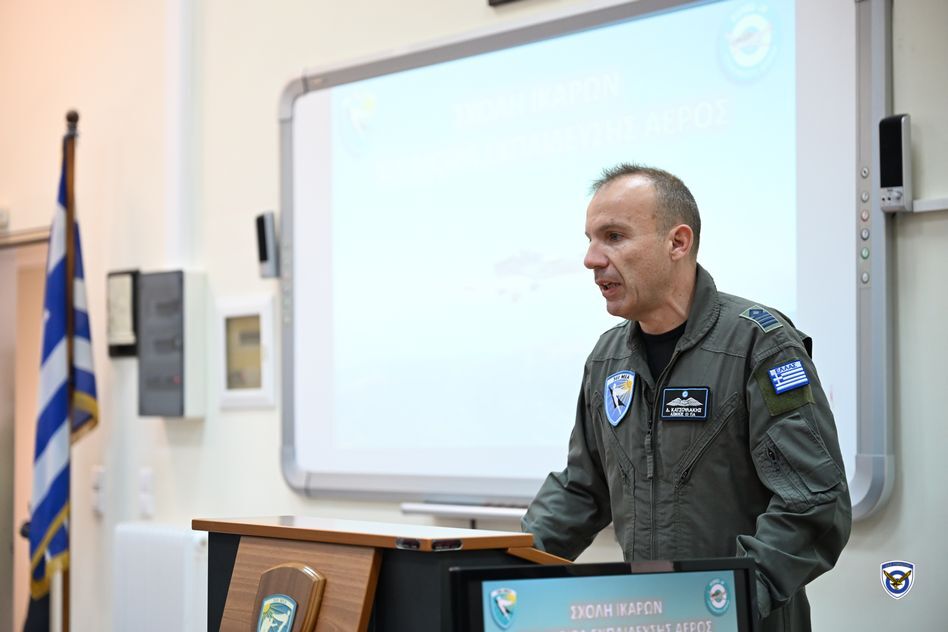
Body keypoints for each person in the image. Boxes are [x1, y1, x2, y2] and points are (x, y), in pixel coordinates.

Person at [522, 164, 851, 631]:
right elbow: (581, 490)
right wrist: (504, 567)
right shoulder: (607, 359)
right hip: (648, 618)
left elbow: (815, 503)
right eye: (590, 239)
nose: (591, 259)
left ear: (677, 243)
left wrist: (725, 601)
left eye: (613, 236)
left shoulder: (759, 345)